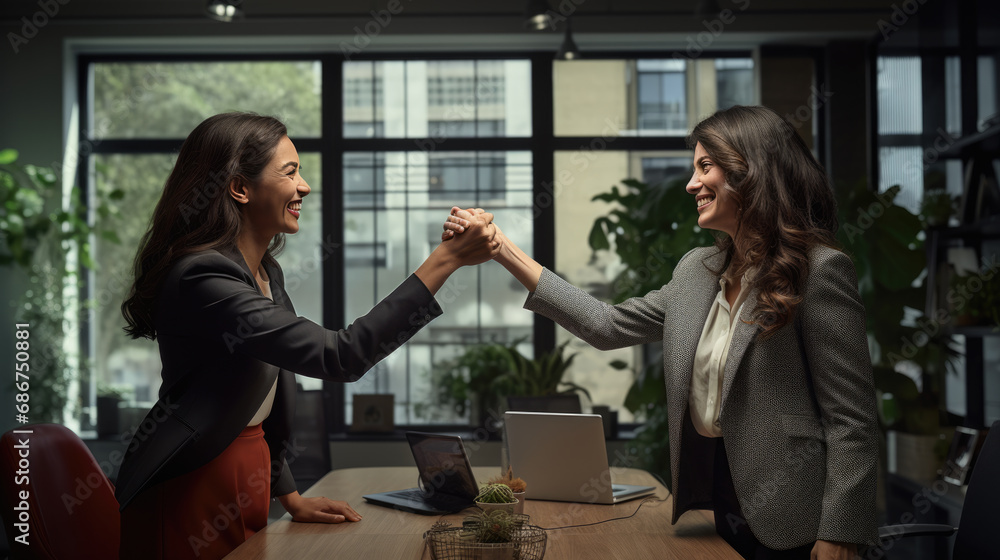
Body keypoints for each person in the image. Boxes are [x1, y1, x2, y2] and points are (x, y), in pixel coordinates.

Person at [445, 105, 879, 560]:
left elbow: (852, 418)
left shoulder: (820, 271)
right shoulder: (697, 271)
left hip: (796, 513)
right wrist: (502, 248)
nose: (692, 184)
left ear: (751, 171)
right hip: (717, 499)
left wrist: (840, 530)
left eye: (705, 167)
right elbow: (607, 325)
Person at [115, 112, 500, 560]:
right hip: (193, 481)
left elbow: (260, 397)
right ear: (240, 187)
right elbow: (340, 356)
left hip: (248, 467)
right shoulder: (204, 276)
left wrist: (289, 495)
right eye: (291, 172)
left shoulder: (263, 273)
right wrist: (446, 260)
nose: (305, 187)